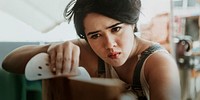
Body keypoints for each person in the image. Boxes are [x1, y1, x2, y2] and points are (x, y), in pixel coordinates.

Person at [2, 0, 181, 100]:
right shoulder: (87, 51)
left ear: (132, 23)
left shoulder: (158, 63)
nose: (109, 44)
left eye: (116, 29)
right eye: (95, 35)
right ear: (85, 36)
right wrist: (53, 48)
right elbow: (9, 61)